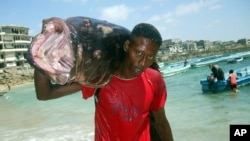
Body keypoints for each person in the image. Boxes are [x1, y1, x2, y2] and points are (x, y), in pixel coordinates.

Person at [34, 23, 173, 141]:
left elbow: (161, 123)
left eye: (150, 57)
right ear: (126, 46)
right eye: (138, 53)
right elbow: (45, 94)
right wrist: (41, 51)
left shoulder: (154, 79)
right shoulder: (101, 77)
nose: (143, 63)